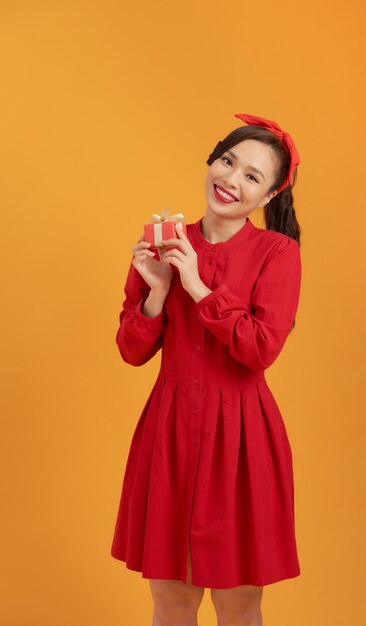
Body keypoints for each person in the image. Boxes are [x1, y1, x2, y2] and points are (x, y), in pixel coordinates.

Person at [110, 113, 303, 626]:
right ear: (212, 161)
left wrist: (195, 285)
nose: (231, 180)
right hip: (169, 433)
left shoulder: (278, 253)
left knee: (239, 603)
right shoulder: (163, 240)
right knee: (170, 601)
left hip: (241, 439)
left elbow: (261, 348)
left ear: (267, 197)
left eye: (251, 176)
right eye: (228, 161)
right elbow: (131, 350)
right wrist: (156, 290)